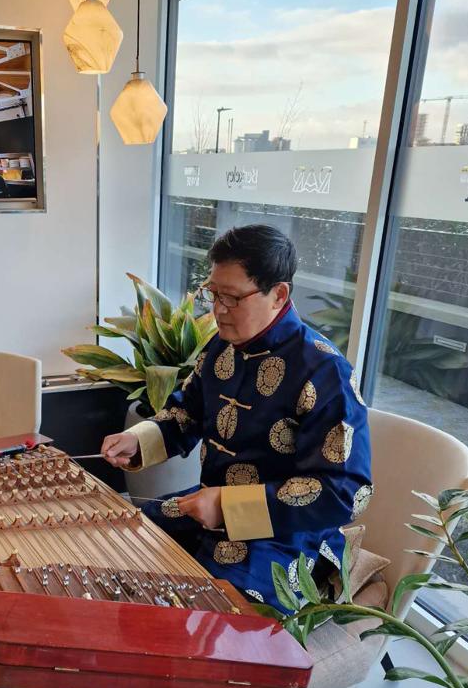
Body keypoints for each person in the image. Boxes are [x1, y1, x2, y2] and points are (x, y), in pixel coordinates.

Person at [101, 225, 373, 609]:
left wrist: (230, 506)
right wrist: (139, 437)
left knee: (205, 611)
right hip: (206, 509)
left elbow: (344, 493)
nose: (218, 310)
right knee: (120, 540)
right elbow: (187, 410)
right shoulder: (223, 348)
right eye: (213, 294)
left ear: (279, 295)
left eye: (232, 298)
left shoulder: (324, 371)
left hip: (286, 537)